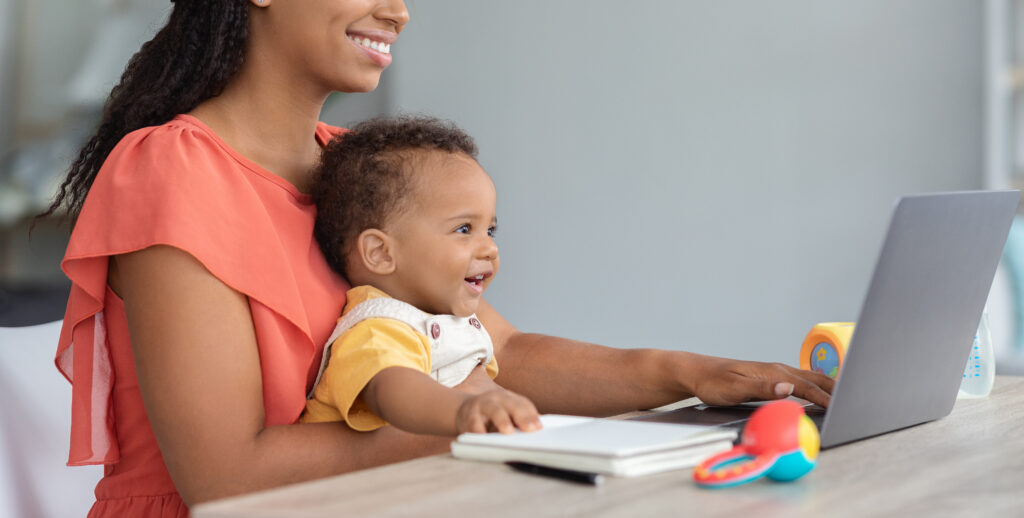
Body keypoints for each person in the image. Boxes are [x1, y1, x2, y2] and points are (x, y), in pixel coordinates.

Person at [42, 1, 834, 516]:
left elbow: (504, 352)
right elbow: (228, 479)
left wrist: (689, 376)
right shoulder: (174, 168)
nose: (400, 10)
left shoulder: (356, 171)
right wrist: (498, 426)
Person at [302, 115, 541, 436]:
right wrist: (463, 411)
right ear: (381, 253)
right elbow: (395, 392)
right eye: (464, 229)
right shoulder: (377, 327)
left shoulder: (445, 316)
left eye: (491, 230)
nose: (489, 249)